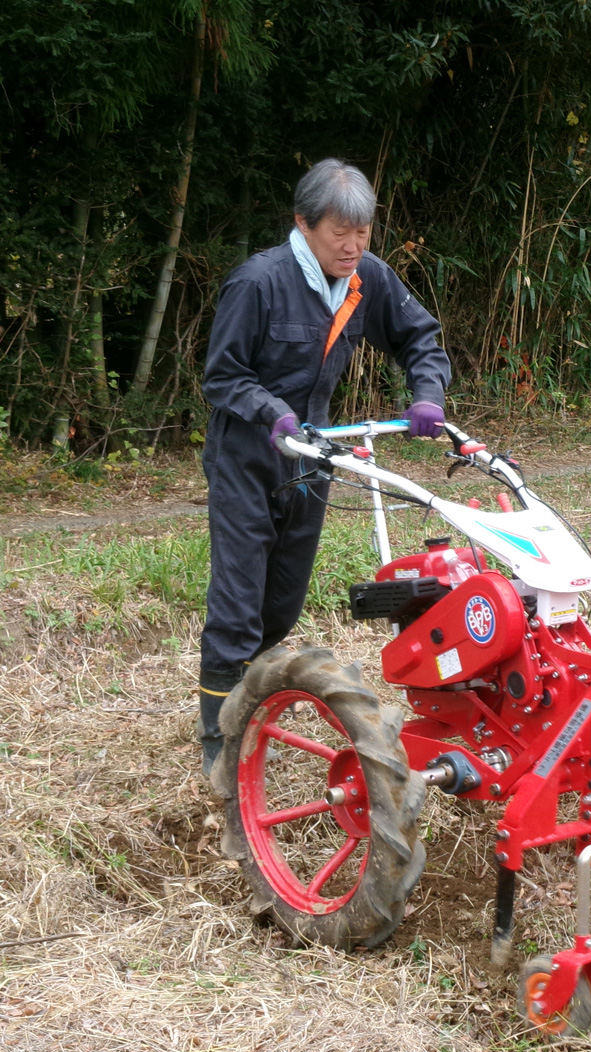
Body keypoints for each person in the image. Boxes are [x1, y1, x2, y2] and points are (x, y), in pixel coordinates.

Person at [196, 158, 452, 774]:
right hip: (248, 454)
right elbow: (223, 375)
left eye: (363, 233)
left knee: (282, 602)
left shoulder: (369, 278)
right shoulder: (258, 283)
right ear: (303, 224)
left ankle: (254, 703)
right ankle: (217, 740)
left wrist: (426, 395)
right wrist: (271, 411)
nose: (353, 245)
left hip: (314, 455)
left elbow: (421, 338)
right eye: (341, 232)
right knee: (238, 603)